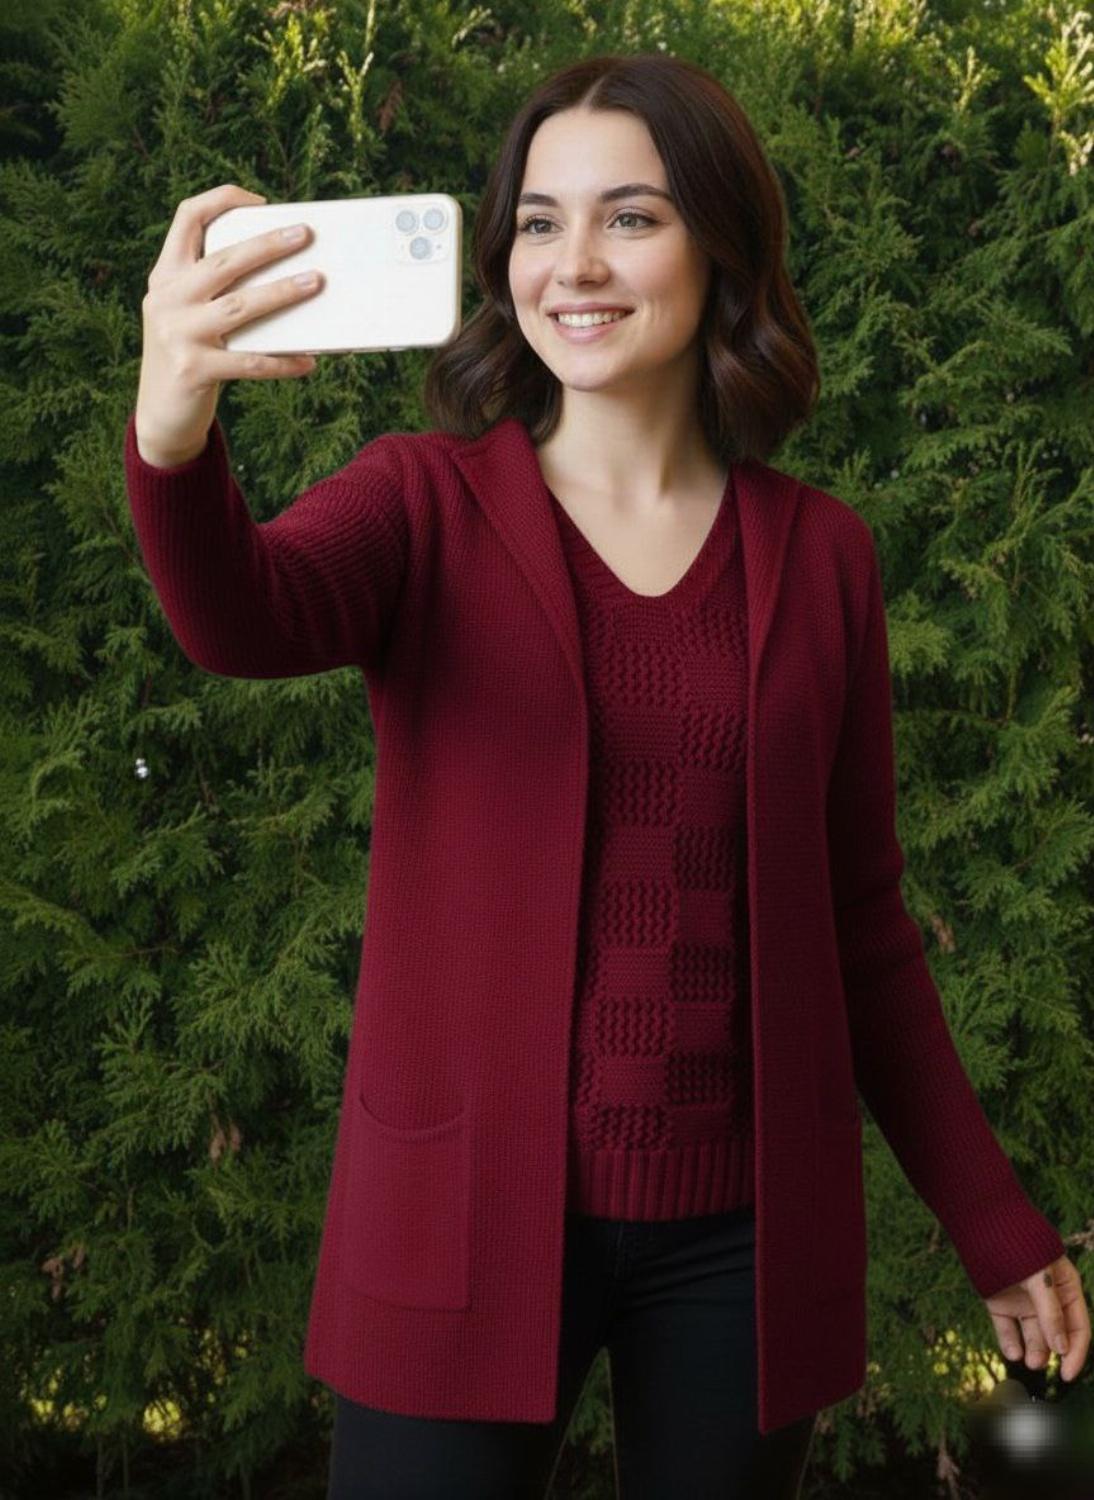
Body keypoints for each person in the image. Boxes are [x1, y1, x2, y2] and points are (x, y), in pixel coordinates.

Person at [127, 50, 1088, 1500]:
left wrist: (995, 1223)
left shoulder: (821, 557)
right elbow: (238, 618)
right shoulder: (422, 504)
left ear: (721, 247)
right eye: (538, 221)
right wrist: (171, 428)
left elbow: (863, 926)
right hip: (459, 1215)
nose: (572, 263)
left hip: (740, 1245)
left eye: (629, 217)